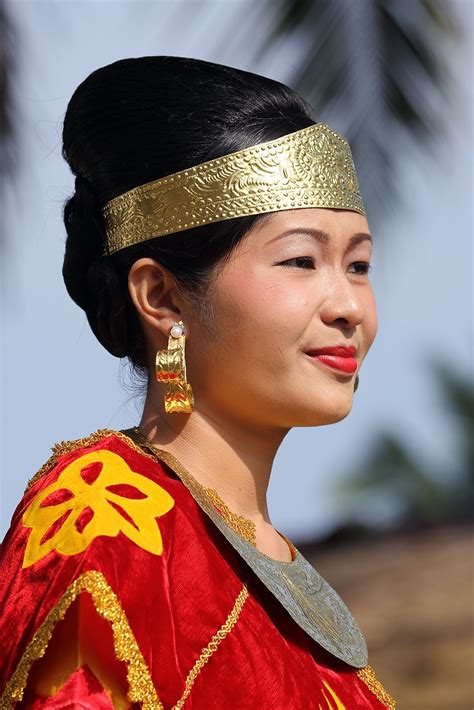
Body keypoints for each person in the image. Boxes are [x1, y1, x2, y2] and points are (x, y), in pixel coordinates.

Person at [0, 56, 396, 709]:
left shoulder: (264, 553)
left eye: (357, 264)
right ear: (162, 297)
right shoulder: (107, 526)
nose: (349, 305)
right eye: (301, 260)